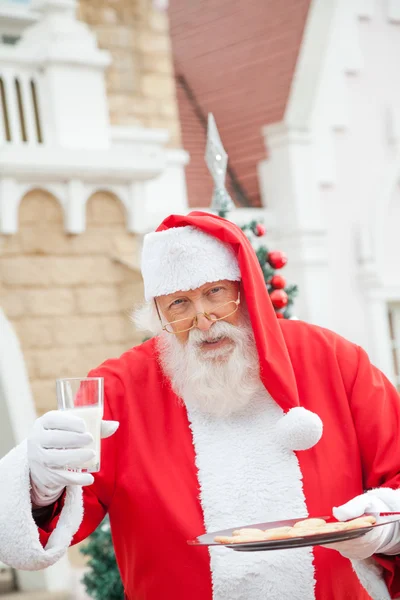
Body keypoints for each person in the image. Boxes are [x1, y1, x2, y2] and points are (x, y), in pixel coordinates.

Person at [1, 211, 400, 600]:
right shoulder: (120, 388)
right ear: (158, 315)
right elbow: (45, 528)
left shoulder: (332, 359)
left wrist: (384, 522)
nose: (204, 319)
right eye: (179, 304)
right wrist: (38, 484)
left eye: (215, 293)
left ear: (246, 292)